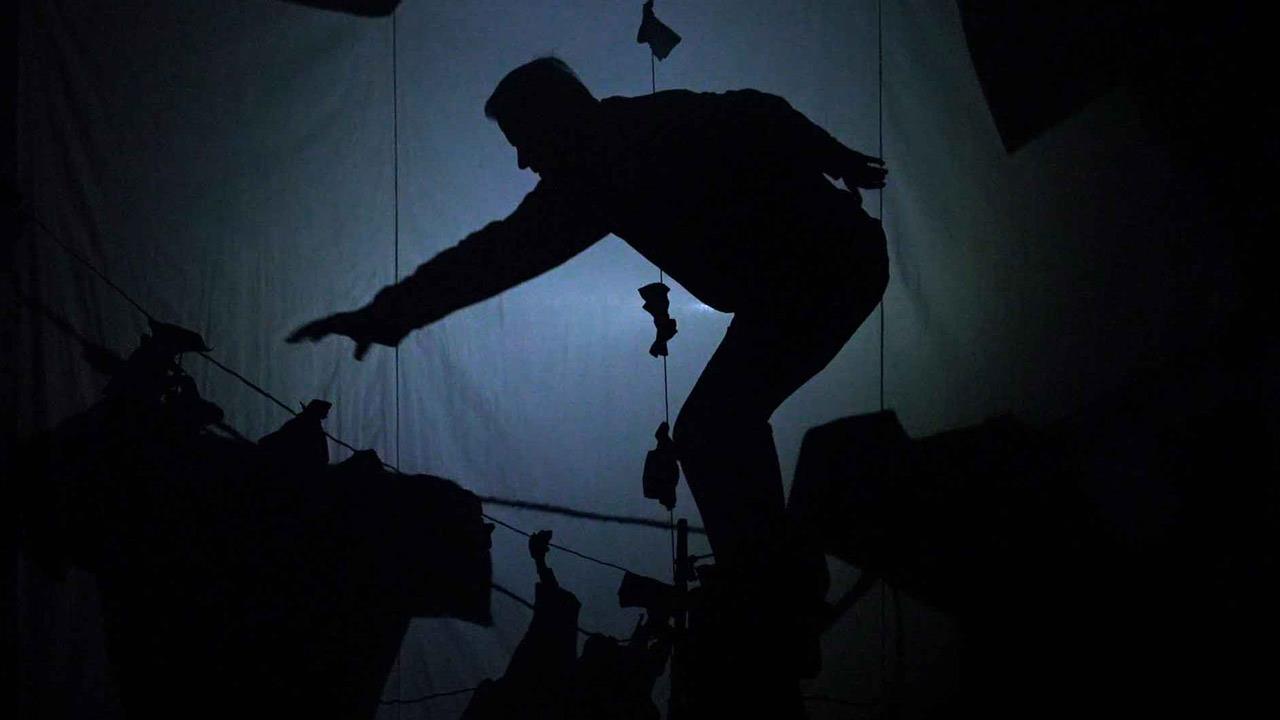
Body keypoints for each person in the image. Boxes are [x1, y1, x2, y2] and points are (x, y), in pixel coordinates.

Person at [288, 56, 887, 636]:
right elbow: (759, 110)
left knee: (715, 425)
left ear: (554, 119)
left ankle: (771, 580)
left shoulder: (610, 158)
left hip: (823, 270)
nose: (524, 161)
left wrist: (387, 315)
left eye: (524, 141)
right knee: (717, 424)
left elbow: (497, 255)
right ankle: (772, 575)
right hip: (801, 281)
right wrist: (831, 154)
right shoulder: (623, 144)